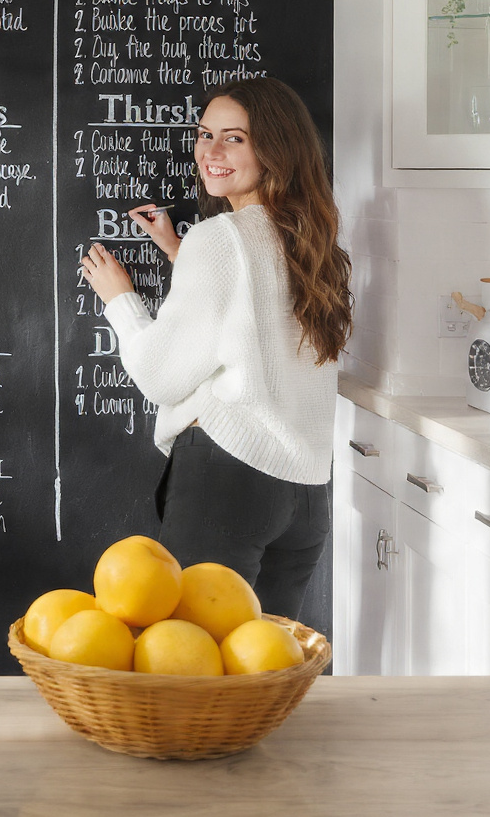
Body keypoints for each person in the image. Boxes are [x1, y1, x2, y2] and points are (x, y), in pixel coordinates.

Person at [79, 77, 352, 621]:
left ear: (275, 148)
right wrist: (182, 254)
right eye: (205, 134)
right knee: (265, 663)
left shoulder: (221, 238)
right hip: (306, 492)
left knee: (192, 662)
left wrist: (121, 301)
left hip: (229, 480)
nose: (211, 152)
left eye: (235, 139)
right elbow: (258, 322)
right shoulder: (312, 238)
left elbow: (160, 375)